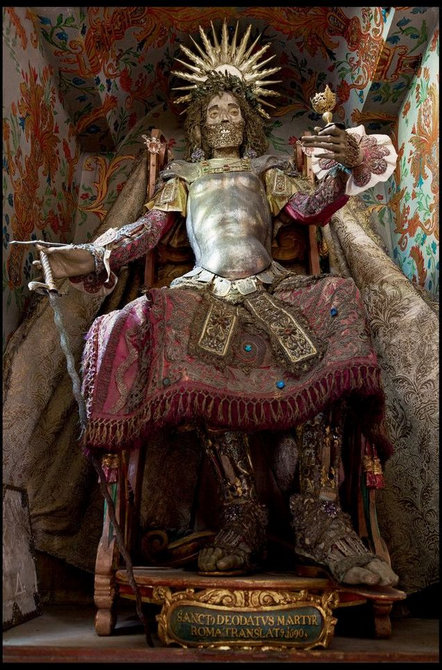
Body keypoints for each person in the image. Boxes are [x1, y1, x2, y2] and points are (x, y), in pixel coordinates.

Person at [37, 22, 399, 587]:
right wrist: (87, 256)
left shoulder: (267, 171)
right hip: (205, 290)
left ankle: (322, 517)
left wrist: (349, 164)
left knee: (338, 298)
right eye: (214, 113)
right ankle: (241, 516)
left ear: (248, 118)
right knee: (156, 323)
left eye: (234, 110)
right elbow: (146, 233)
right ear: (199, 123)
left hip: (272, 287)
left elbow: (311, 209)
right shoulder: (181, 177)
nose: (225, 120)